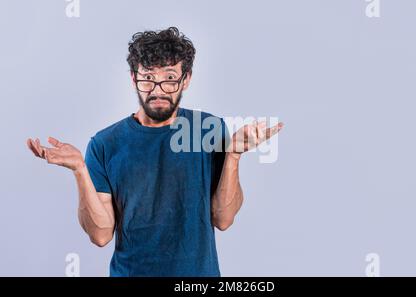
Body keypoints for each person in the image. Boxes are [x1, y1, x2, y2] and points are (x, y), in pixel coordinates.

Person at [26, 27, 283, 276]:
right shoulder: (105, 144)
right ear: (133, 78)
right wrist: (79, 170)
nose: (158, 90)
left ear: (187, 79)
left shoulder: (209, 130)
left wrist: (234, 154)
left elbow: (223, 219)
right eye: (148, 78)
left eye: (170, 79)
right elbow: (101, 235)